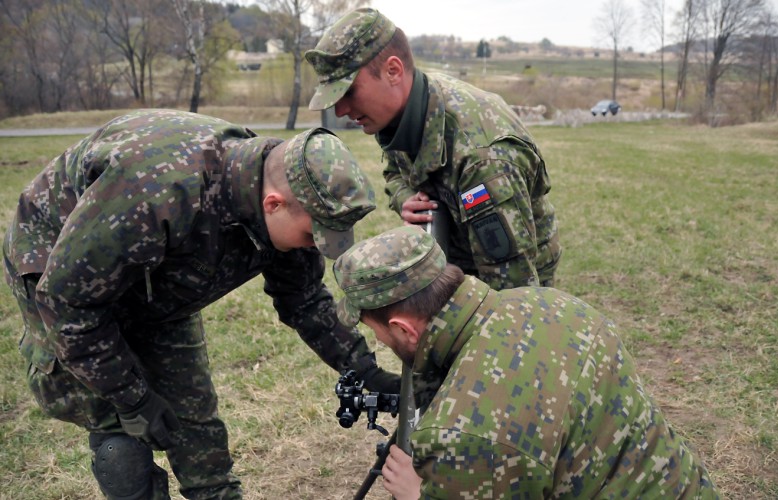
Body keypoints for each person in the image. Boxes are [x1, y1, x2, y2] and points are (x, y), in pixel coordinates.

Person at [2, 109, 399, 499]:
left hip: (158, 277)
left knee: (194, 419)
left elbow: (305, 299)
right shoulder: (160, 191)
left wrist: (363, 369)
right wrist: (132, 396)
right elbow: (68, 305)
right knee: (121, 435)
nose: (314, 247)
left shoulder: (294, 197)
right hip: (63, 267)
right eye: (312, 236)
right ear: (274, 204)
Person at [332, 225, 720, 499]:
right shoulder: (553, 303)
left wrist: (417, 494)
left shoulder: (464, 435)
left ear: (403, 328)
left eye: (374, 330)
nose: (379, 340)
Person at [306, 8, 561, 290]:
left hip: (506, 273)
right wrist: (405, 199)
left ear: (393, 71)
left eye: (349, 92)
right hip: (455, 262)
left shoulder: (482, 157)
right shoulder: (404, 111)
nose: (340, 110)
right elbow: (395, 172)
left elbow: (514, 290)